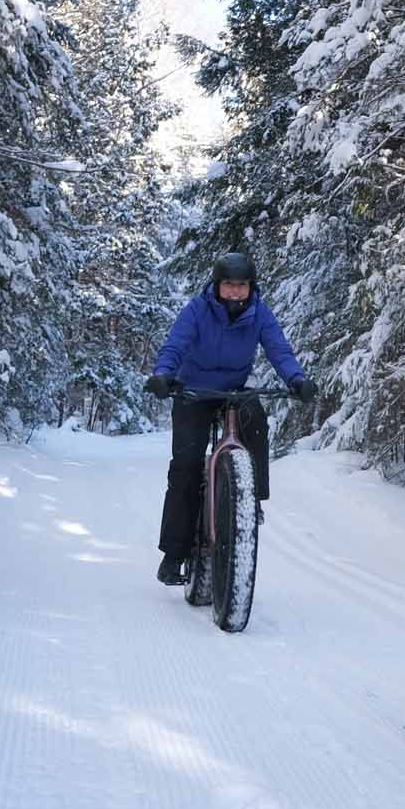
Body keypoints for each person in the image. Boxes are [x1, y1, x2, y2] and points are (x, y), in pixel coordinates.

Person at [143, 251, 316, 585]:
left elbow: (279, 350)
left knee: (255, 418)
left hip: (232, 391)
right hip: (192, 391)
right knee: (186, 467)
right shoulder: (197, 310)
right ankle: (174, 555)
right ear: (217, 285)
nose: (236, 292)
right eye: (229, 285)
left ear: (251, 287)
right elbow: (175, 346)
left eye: (242, 286)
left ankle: (251, 500)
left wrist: (296, 380)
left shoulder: (258, 313)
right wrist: (163, 375)